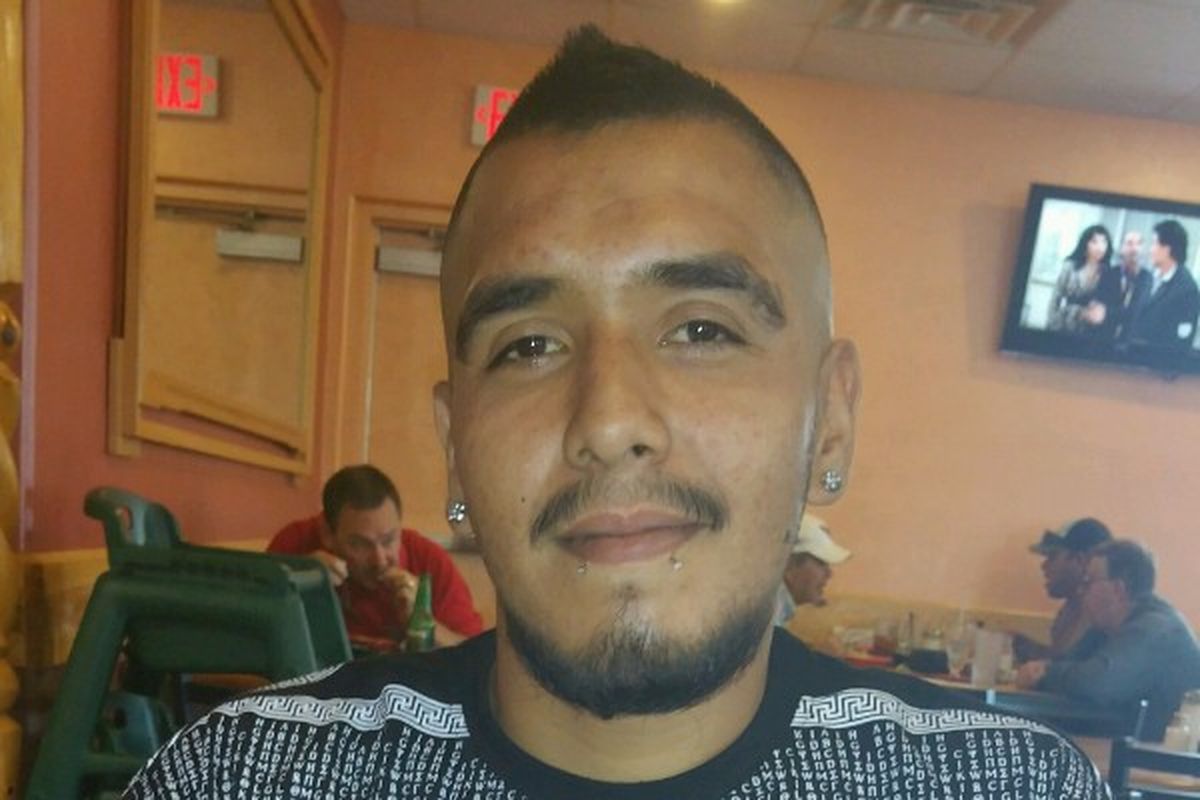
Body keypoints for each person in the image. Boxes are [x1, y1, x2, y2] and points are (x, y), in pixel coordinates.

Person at [124, 27, 1105, 798]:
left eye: (703, 329)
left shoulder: (1007, 786)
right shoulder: (245, 779)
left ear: (830, 419)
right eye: (528, 345)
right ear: (456, 450)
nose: (607, 418)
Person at [267, 463, 483, 650]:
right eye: (360, 544)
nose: (379, 560)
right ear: (327, 534)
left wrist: (420, 621)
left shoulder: (430, 561)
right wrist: (298, 582)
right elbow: (256, 635)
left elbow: (475, 654)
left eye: (389, 540)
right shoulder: (296, 546)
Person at [1016, 539, 1200, 741]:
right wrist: (1045, 670)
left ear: (1118, 589)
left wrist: (1045, 673)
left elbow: (1097, 684)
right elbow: (1071, 663)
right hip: (1129, 748)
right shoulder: (1106, 628)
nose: (1080, 591)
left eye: (1088, 582)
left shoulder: (1156, 628)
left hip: (1162, 757)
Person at [1012, 517, 1112, 663]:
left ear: (1080, 560)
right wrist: (1022, 646)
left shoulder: (1098, 617)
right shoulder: (1072, 607)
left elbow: (1067, 668)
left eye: (1052, 556)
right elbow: (1060, 661)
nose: (1044, 566)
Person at [1124, 219, 1200, 351]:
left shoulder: (1187, 290)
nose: (1150, 250)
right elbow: (1133, 313)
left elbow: (1181, 342)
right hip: (1129, 355)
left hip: (1154, 360)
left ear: (1167, 249)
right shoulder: (1148, 277)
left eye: (1154, 243)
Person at [774, 513, 849, 626]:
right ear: (788, 565)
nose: (829, 574)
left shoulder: (777, 609)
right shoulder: (769, 613)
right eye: (821, 563)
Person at [1047, 223, 1113, 334]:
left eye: (1104, 242)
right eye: (1094, 242)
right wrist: (1051, 322)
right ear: (1085, 244)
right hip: (1065, 322)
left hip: (1091, 330)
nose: (1100, 247)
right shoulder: (1070, 266)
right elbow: (1055, 298)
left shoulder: (1108, 272)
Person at [1106, 230, 1152, 340]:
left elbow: (1138, 310)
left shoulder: (1147, 278)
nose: (1134, 249)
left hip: (1130, 340)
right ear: (1121, 248)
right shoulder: (1109, 273)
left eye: (1139, 244)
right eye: (1129, 243)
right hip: (1105, 336)